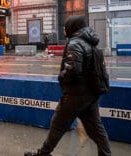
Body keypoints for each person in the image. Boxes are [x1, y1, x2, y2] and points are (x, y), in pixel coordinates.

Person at [24, 15, 111, 156]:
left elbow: (73, 69)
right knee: (96, 129)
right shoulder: (90, 42)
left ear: (73, 27)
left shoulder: (75, 43)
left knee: (57, 125)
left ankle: (43, 153)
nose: (64, 29)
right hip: (90, 93)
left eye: (66, 26)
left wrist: (61, 76)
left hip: (76, 95)